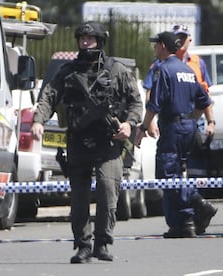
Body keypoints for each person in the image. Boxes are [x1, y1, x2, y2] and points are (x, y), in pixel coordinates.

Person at [31, 21, 143, 263]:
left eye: (90, 39)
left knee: (107, 190)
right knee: (79, 197)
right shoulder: (68, 72)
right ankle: (83, 245)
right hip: (78, 141)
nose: (85, 42)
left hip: (108, 143)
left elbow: (136, 102)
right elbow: (48, 97)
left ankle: (102, 243)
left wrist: (128, 124)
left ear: (99, 41)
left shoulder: (117, 71)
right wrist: (38, 120)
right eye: (82, 39)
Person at [134, 31, 214, 238]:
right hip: (188, 127)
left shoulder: (164, 70)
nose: (154, 49)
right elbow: (204, 101)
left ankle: (197, 206)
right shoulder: (187, 70)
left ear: (162, 46)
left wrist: (143, 127)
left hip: (172, 128)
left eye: (155, 45)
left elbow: (154, 104)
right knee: (177, 174)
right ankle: (183, 223)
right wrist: (192, 120)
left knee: (167, 175)